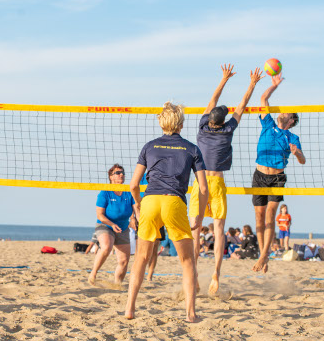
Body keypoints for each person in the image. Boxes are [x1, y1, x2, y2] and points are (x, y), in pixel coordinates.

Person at [125, 102, 208, 322]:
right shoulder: (192, 149)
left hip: (151, 200)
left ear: (161, 122)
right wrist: (199, 215)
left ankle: (129, 308)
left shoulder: (149, 146)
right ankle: (190, 313)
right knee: (187, 261)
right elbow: (203, 187)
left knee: (141, 259)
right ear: (180, 124)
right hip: (174, 202)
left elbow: (134, 185)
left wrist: (138, 204)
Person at [189, 64, 264, 295]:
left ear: (210, 119)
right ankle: (216, 274)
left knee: (195, 229)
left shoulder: (202, 126)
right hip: (217, 183)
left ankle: (192, 274)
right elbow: (241, 106)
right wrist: (252, 83)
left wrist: (224, 79)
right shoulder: (227, 130)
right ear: (222, 122)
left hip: (199, 183)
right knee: (219, 230)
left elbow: (213, 99)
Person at [251, 72, 306, 273]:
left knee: (270, 216)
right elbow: (263, 99)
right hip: (259, 175)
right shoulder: (268, 125)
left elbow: (302, 161)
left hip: (276, 177)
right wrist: (274, 85)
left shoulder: (292, 137)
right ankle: (262, 253)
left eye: (287, 113)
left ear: (291, 120)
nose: (282, 113)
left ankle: (265, 255)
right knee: (258, 217)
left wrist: (297, 152)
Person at [88, 164, 136, 286]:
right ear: (111, 177)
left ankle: (117, 284)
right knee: (106, 246)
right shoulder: (105, 192)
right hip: (105, 225)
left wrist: (135, 219)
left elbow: (136, 209)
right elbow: (100, 215)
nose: (121, 174)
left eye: (123, 172)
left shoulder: (129, 192)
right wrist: (112, 224)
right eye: (118, 172)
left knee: (124, 261)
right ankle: (93, 274)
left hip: (123, 227)